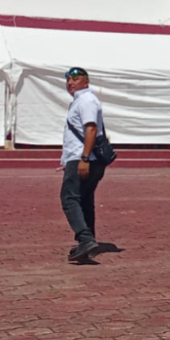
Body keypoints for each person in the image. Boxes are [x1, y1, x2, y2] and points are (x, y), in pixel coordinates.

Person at [61, 67, 108, 263]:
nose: (71, 82)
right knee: (84, 199)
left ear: (86, 82)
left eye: (76, 78)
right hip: (81, 157)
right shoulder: (80, 101)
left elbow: (91, 129)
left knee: (69, 198)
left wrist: (84, 158)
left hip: (84, 158)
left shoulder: (86, 101)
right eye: (68, 79)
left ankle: (85, 237)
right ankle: (89, 241)